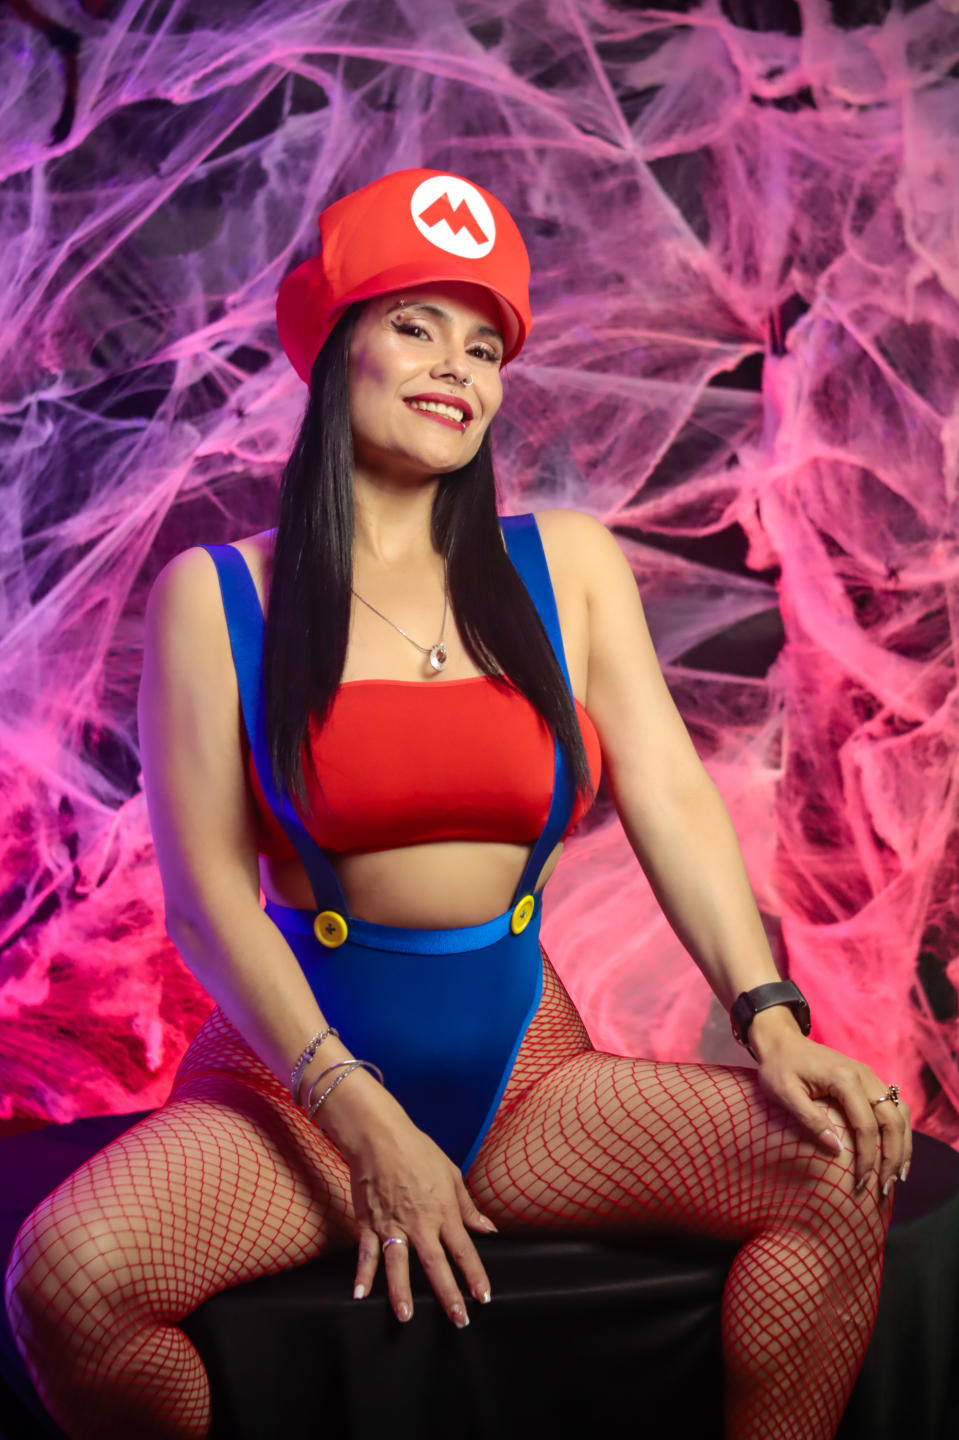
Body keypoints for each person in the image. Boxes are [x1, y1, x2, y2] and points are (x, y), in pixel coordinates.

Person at [5, 169, 910, 1440]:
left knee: (834, 1169)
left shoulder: (565, 567)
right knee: (70, 1281)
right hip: (295, 1092)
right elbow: (207, 907)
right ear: (337, 349)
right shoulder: (217, 599)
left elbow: (667, 795)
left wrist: (768, 1016)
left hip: (523, 1075)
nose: (456, 369)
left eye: (484, 347)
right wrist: (361, 1120)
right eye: (416, 325)